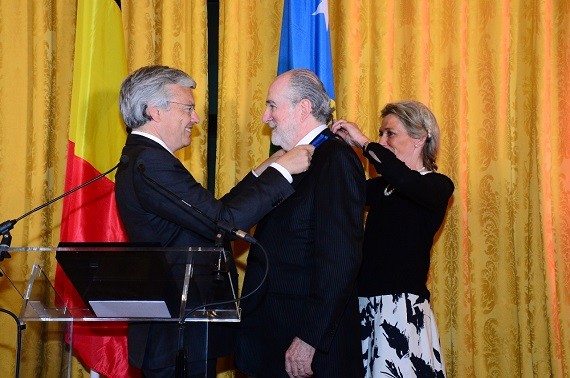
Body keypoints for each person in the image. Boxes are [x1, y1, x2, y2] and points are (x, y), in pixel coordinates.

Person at [114, 65, 314, 378]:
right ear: (154, 111)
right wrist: (283, 172)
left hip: (182, 325)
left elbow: (210, 213)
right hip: (176, 332)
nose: (195, 118)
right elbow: (222, 223)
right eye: (188, 108)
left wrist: (262, 172)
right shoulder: (151, 162)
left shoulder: (146, 157)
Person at [235, 69, 366, 378]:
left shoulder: (334, 159)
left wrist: (309, 338)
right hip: (271, 337)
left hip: (304, 345)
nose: (266, 117)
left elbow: (340, 259)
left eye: (272, 105)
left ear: (303, 108)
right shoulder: (289, 161)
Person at [331, 100, 454, 377]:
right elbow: (339, 192)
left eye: (390, 133)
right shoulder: (380, 187)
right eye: (380, 133)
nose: (381, 140)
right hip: (362, 305)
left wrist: (363, 142)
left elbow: (406, 181)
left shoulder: (437, 186)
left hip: (400, 309)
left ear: (420, 138)